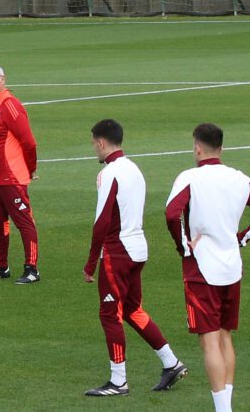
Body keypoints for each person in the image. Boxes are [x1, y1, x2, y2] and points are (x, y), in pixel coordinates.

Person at [165, 124, 250, 412]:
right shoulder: (239, 178)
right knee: (225, 336)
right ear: (221, 147)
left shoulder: (190, 177)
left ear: (197, 147)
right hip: (231, 266)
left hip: (202, 267)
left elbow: (171, 213)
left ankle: (222, 410)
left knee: (209, 342)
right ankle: (226, 406)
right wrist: (242, 238)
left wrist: (183, 246)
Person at [82, 119, 188, 397]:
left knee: (110, 315)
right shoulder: (134, 168)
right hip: (138, 248)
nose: (94, 148)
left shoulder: (110, 173)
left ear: (102, 142)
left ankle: (119, 381)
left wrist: (91, 262)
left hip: (117, 253)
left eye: (94, 144)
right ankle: (171, 362)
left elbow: (102, 221)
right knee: (132, 310)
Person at [0, 64, 41, 284]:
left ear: (3, 79)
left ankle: (32, 269)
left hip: (12, 177)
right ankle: (1, 266)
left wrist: (31, 168)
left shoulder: (10, 105)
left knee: (24, 222)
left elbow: (29, 142)